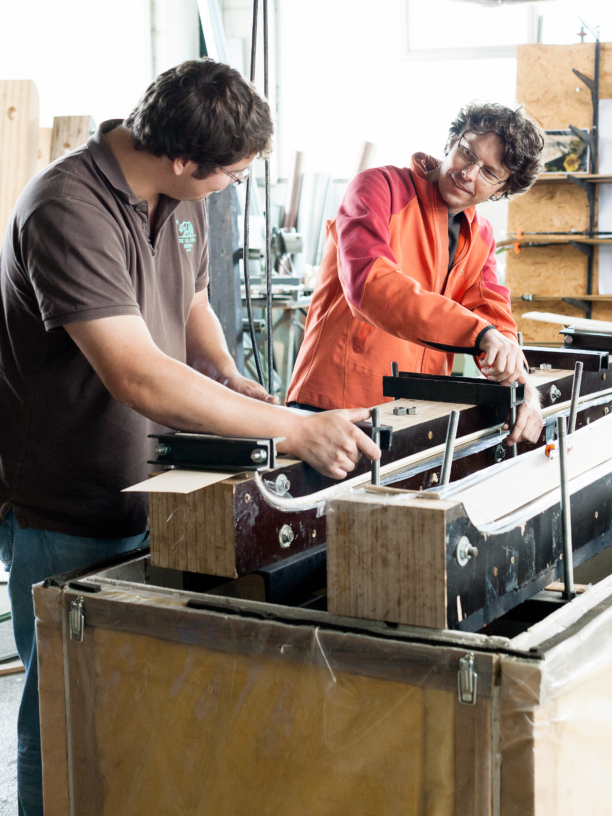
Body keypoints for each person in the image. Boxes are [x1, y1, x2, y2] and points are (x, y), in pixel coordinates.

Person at [0, 59, 378, 816]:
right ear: (181, 157)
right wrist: (296, 430)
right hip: (68, 509)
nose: (234, 185)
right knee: (68, 714)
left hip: (160, 490)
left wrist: (224, 371)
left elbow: (194, 297)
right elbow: (136, 375)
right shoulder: (67, 208)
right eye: (232, 174)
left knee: (136, 712)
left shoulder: (181, 197)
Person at [287, 101, 545, 443]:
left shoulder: (480, 234)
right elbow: (371, 286)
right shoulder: (378, 189)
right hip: (335, 406)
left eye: (489, 173)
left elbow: (492, 314)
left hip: (416, 415)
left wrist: (523, 386)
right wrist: (478, 334)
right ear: (451, 142)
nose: (468, 173)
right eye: (467, 153)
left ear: (503, 189)